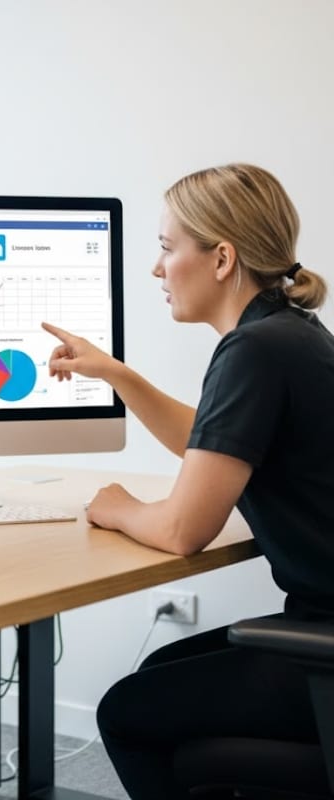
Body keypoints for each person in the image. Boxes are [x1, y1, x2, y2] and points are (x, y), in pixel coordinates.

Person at [43, 163, 334, 799]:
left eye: (167, 248)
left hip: (328, 644)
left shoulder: (253, 351)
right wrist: (118, 374)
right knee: (158, 673)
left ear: (222, 257)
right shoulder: (286, 334)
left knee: (127, 713)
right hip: (321, 627)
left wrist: (115, 508)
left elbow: (182, 532)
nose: (156, 269)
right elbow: (214, 442)